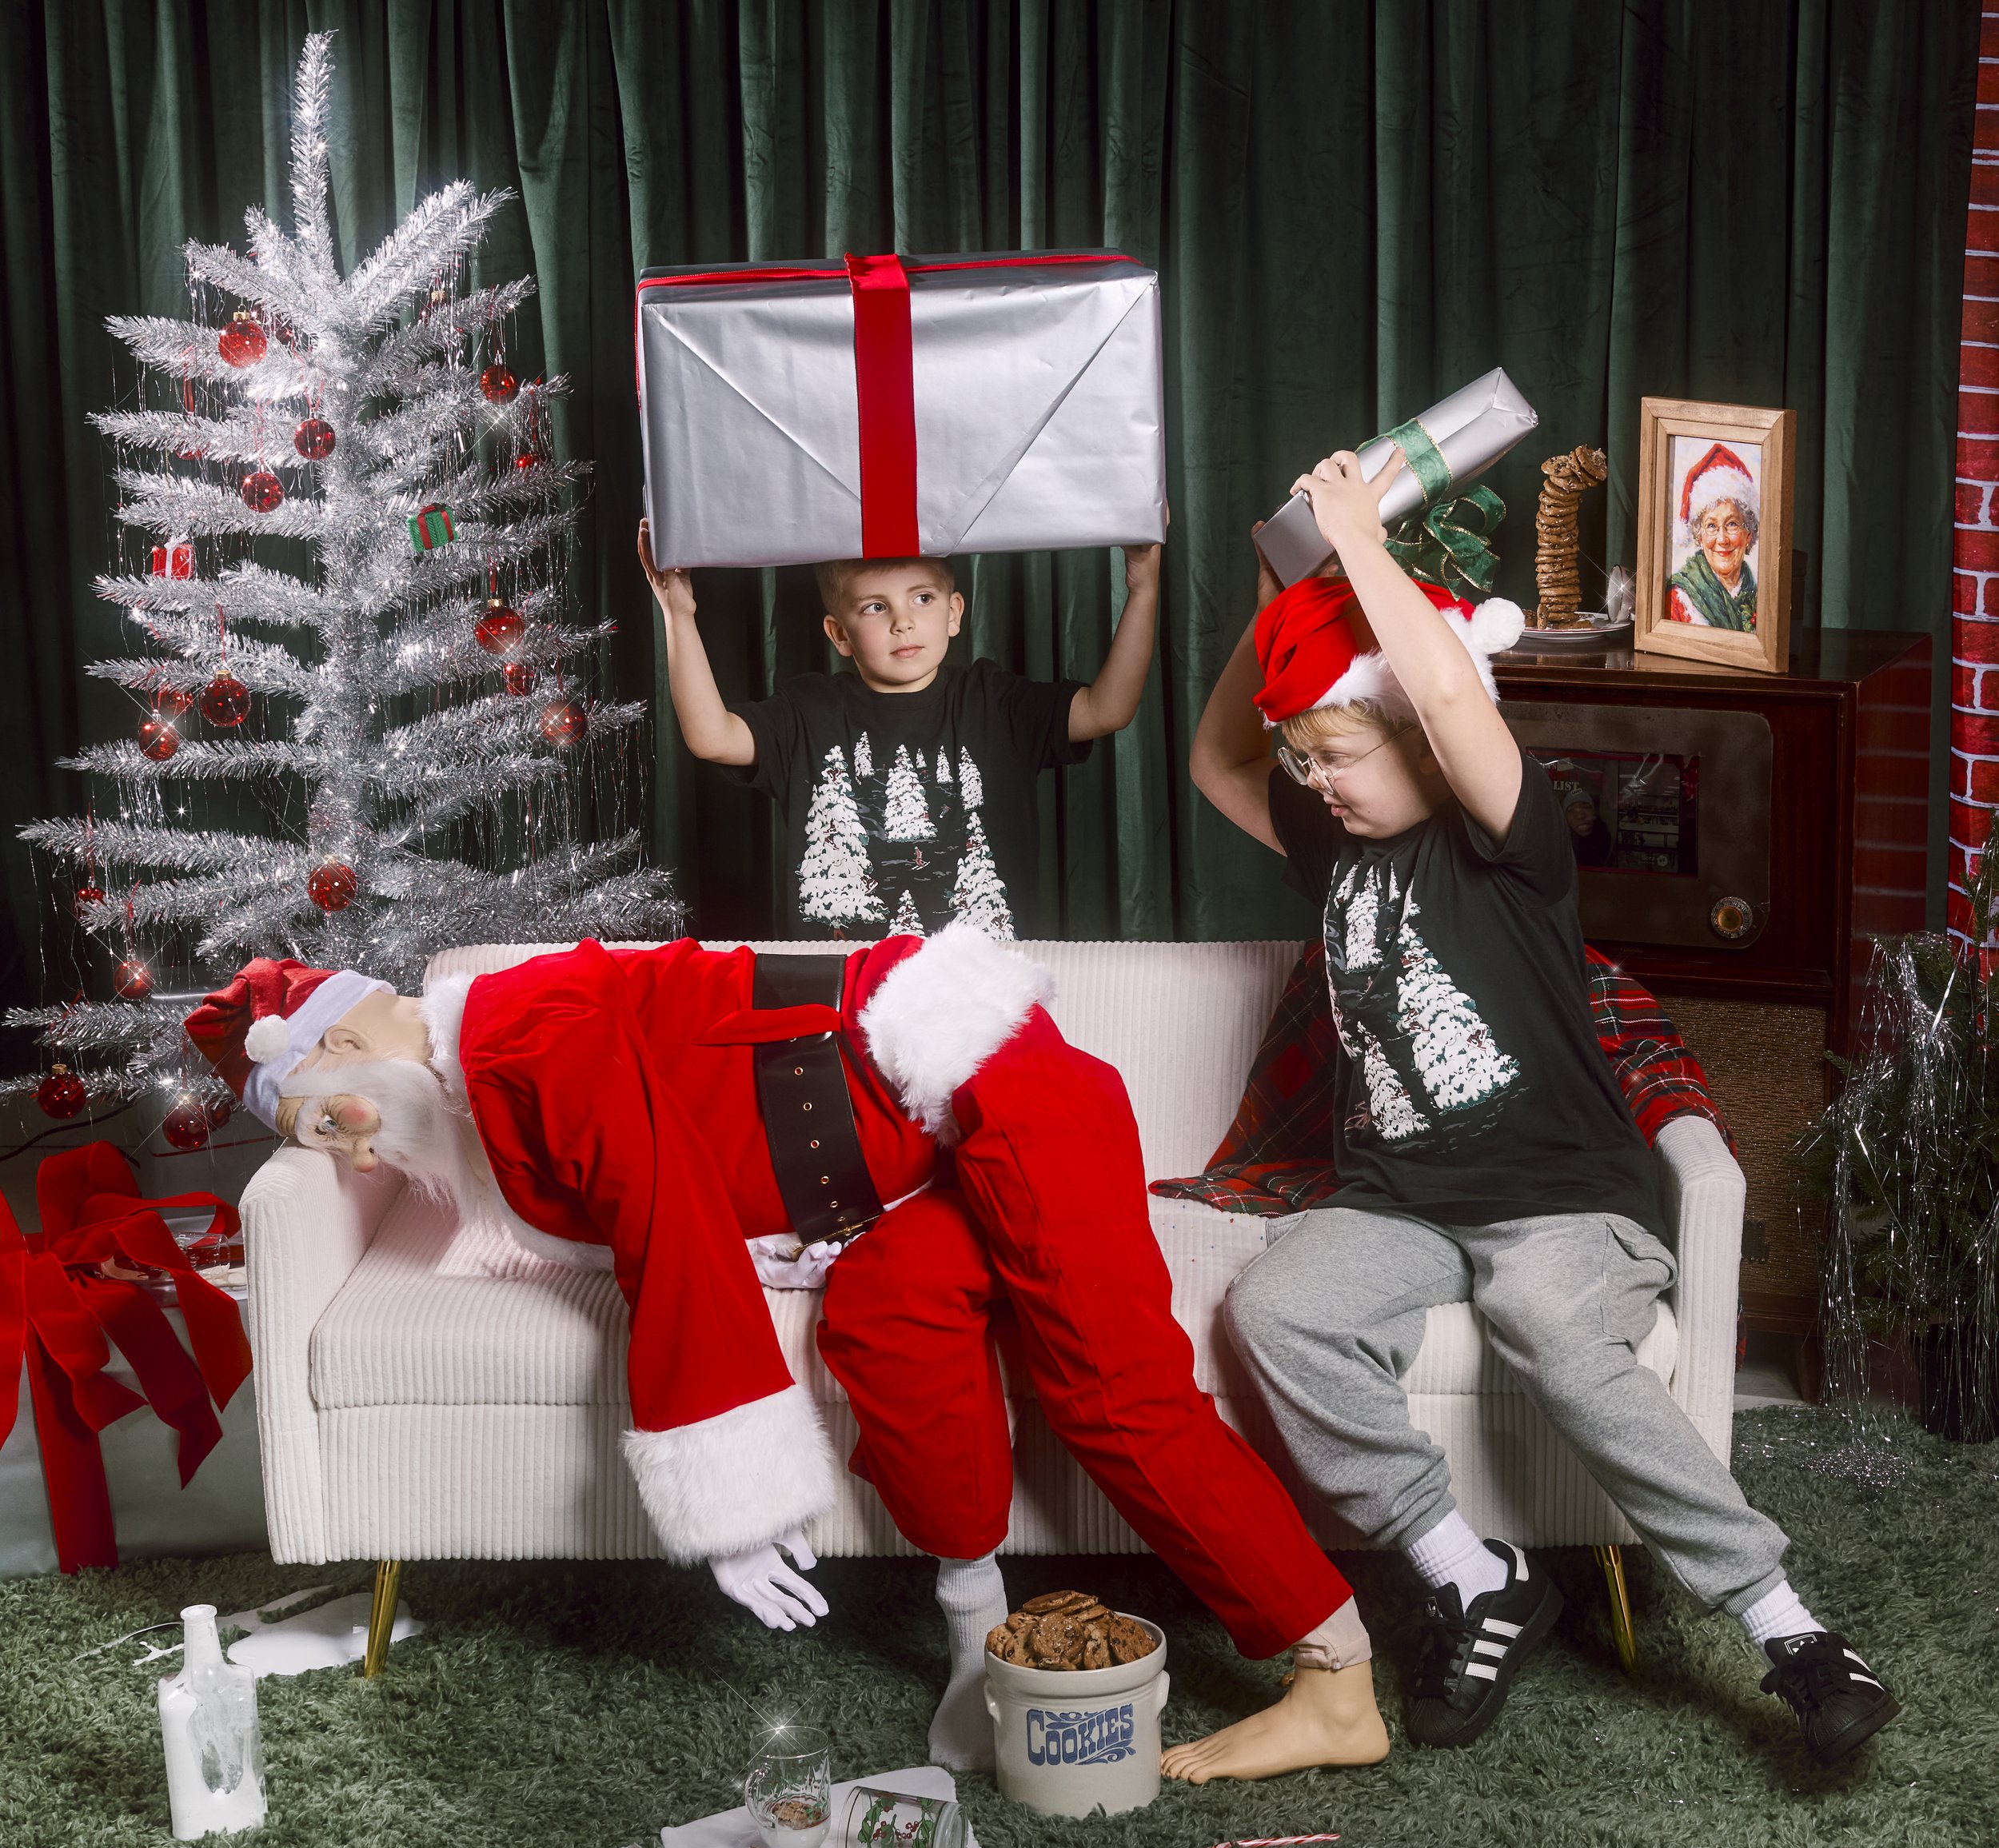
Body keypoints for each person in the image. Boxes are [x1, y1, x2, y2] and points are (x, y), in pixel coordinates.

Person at [185, 925, 1388, 1777]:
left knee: (1109, 1388)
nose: (349, 1154)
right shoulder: (474, 1085)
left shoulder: (515, 1031)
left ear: (341, 1048)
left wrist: (731, 1496)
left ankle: (1335, 1674)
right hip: (901, 1182)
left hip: (983, 1082)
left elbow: (665, 1206)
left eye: (323, 1121)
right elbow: (705, 1151)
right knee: (886, 1325)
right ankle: (981, 1645)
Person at [1183, 445, 1899, 1770]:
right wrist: (1287, 587)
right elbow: (1222, 759)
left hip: (1563, 1197)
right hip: (1400, 1200)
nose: (1319, 781)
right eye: (1312, 758)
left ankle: (1790, 1627)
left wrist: (1363, 546)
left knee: (1538, 1320)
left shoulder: (1503, 840)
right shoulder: (1336, 846)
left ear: (1409, 731)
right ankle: (1473, 1570)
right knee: (1275, 1312)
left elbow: (1451, 693)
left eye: (1340, 752)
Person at [637, 524, 1162, 937]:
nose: (902, 622)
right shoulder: (809, 711)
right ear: (839, 634)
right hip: (848, 990)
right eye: (875, 607)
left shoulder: (995, 700)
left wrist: (1143, 591)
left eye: (922, 599)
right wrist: (678, 613)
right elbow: (712, 737)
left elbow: (1106, 709)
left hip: (982, 985)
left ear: (955, 613)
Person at [1666, 443, 1758, 630]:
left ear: (1748, 534)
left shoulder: (1761, 594)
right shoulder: (1679, 600)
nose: (1722, 539)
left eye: (1732, 524)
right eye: (1711, 526)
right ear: (1699, 538)